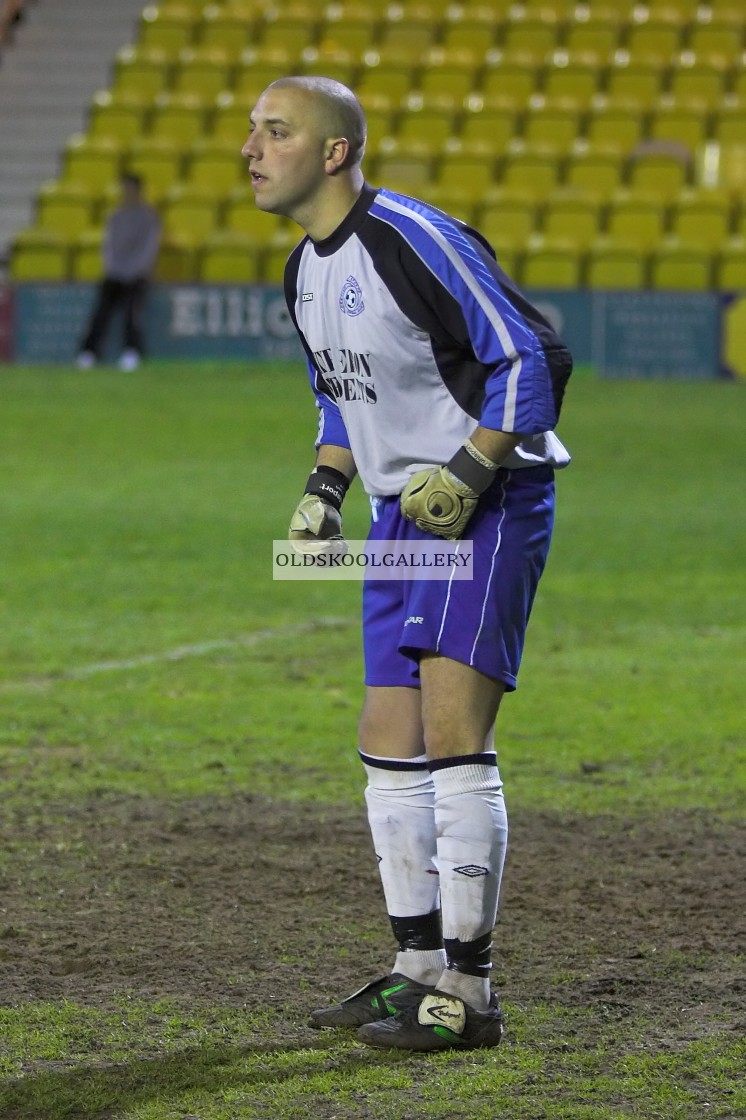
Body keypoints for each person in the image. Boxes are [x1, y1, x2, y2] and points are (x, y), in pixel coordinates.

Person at [242, 76, 573, 1052]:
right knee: (386, 731)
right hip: (399, 514)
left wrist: (467, 472)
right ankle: (413, 966)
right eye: (253, 131)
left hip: (488, 496)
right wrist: (323, 489)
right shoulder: (303, 269)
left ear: (334, 151)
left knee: (447, 728)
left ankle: (467, 995)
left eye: (276, 131)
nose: (252, 149)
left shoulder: (413, 237)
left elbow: (530, 357)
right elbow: (340, 394)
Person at [76, 173, 161, 371]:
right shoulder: (115, 216)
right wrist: (113, 268)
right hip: (115, 273)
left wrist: (136, 270)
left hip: (137, 274)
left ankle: (131, 352)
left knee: (132, 314)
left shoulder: (148, 217)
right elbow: (108, 246)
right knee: (100, 313)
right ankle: (88, 352)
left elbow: (148, 248)